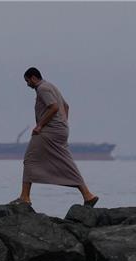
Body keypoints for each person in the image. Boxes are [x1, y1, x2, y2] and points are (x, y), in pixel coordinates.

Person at [11, 67, 99, 207]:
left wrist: (40, 125)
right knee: (66, 162)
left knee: (30, 159)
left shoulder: (42, 89)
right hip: (60, 130)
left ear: (34, 77)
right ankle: (88, 195)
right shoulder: (51, 86)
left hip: (49, 131)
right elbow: (66, 106)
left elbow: (54, 107)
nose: (27, 85)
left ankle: (25, 197)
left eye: (27, 81)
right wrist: (63, 124)